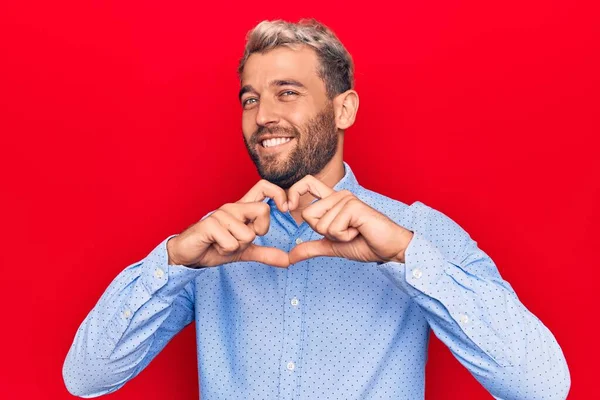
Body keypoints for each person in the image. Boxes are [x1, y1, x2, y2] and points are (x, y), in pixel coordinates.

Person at [63, 19, 570, 400]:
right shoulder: (212, 245)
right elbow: (85, 378)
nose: (263, 116)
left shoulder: (417, 231)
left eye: (288, 92)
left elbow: (544, 384)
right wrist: (173, 261)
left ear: (343, 109)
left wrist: (405, 257)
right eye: (250, 99)